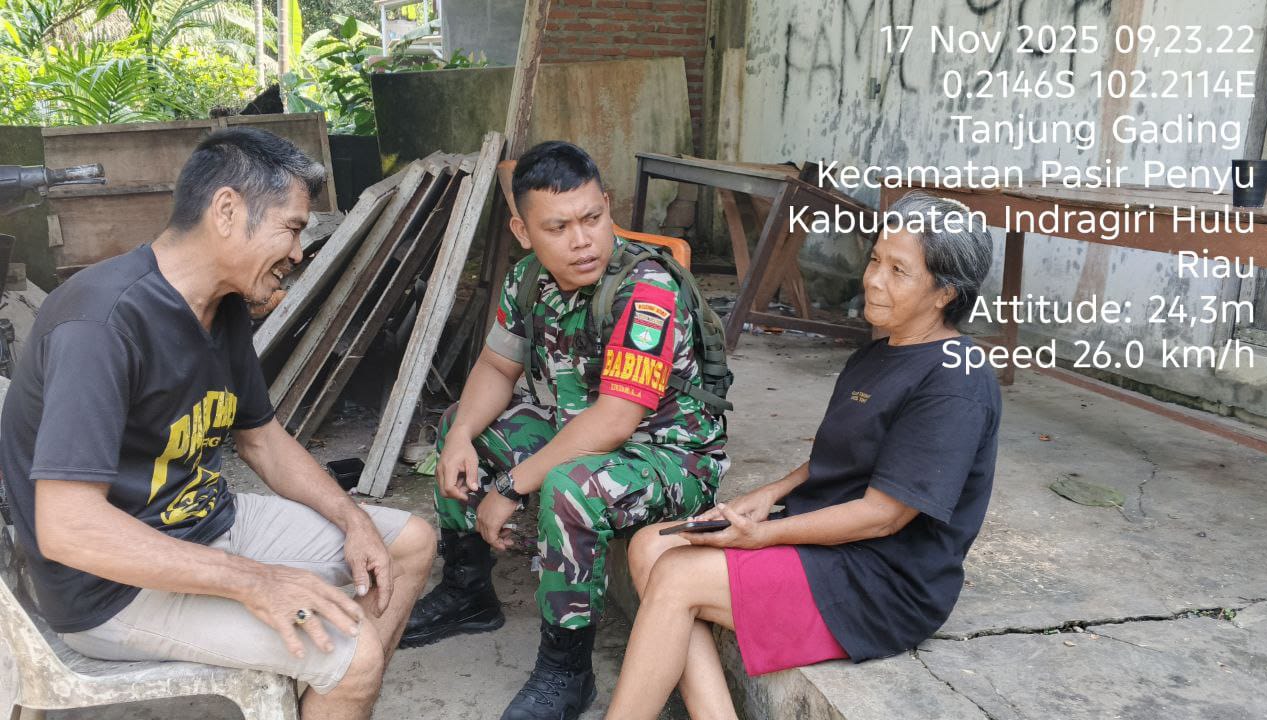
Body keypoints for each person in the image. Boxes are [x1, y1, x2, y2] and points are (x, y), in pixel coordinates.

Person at [0, 128, 436, 720]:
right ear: (227, 210)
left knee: (407, 544)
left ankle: (326, 697)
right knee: (351, 656)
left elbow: (262, 439)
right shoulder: (101, 324)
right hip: (111, 586)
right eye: (292, 228)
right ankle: (340, 682)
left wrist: (351, 518)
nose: (298, 253)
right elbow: (69, 529)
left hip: (206, 523)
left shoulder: (222, 304)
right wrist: (254, 581)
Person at [605, 191, 1002, 718]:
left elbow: (884, 516)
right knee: (650, 546)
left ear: (944, 293)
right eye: (876, 260)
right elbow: (846, 453)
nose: (873, 280)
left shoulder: (955, 380)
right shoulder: (878, 353)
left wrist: (762, 535)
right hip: (833, 545)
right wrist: (769, 494)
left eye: (898, 271)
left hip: (884, 581)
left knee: (678, 577)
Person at [398, 141, 730, 720]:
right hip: (582, 434)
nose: (582, 241)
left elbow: (616, 420)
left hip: (671, 460)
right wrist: (459, 438)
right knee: (460, 427)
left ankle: (566, 671)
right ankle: (467, 592)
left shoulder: (645, 289)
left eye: (592, 218)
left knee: (571, 485)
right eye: (558, 227)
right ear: (524, 232)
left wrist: (510, 487)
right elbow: (496, 366)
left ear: (607, 206)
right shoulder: (529, 278)